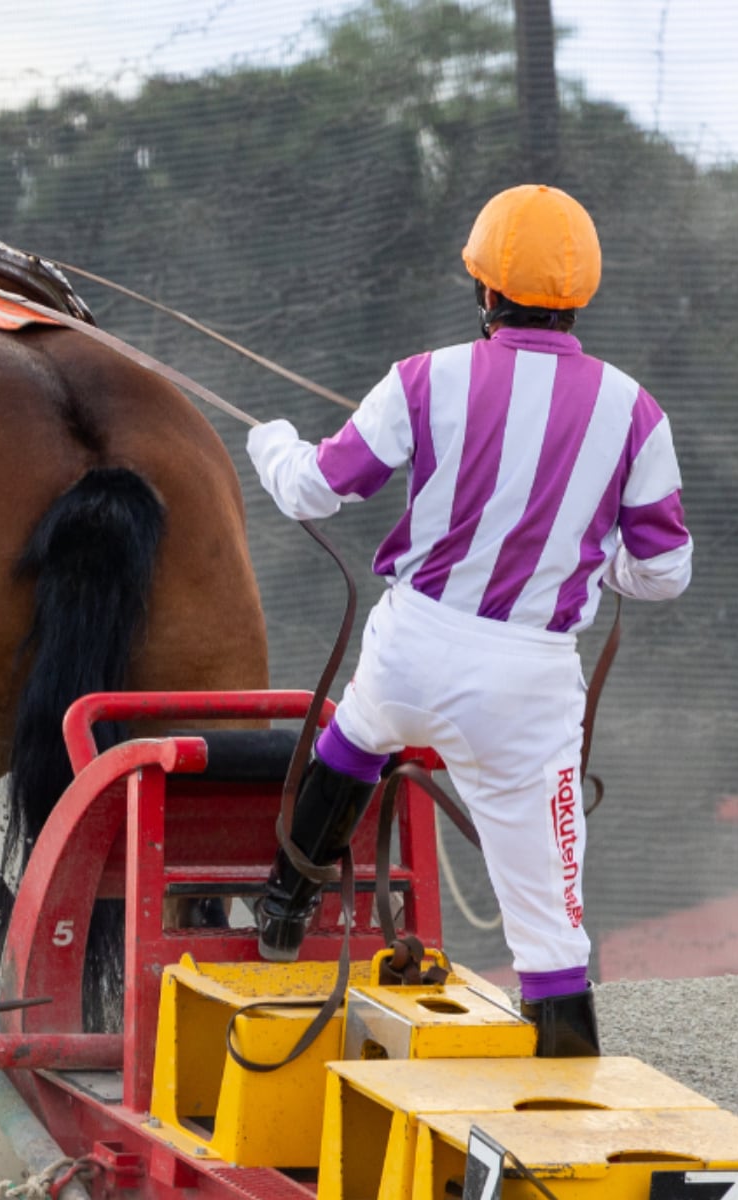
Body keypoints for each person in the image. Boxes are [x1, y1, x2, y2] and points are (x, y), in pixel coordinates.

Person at [245, 184, 692, 1057]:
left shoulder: (425, 377)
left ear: (484, 293)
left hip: (412, 650)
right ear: (581, 296)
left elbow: (312, 488)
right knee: (552, 942)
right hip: (527, 684)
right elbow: (666, 572)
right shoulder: (635, 411)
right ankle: (566, 1100)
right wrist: (604, 565)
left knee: (356, 735)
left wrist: (272, 439)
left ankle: (282, 912)